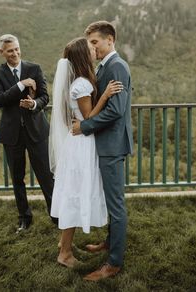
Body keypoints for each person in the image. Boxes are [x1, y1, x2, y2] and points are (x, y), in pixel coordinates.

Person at [49, 37, 123, 268]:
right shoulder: (82, 84)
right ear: (83, 55)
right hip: (82, 145)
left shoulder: (80, 81)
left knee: (73, 193)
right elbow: (89, 117)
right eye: (90, 48)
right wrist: (105, 95)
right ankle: (65, 254)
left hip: (79, 142)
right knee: (75, 195)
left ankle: (64, 245)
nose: (94, 49)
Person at [72, 21, 133, 281]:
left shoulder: (117, 66)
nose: (92, 47)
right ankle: (109, 244)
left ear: (110, 40)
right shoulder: (106, 66)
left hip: (111, 145)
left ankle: (114, 263)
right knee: (111, 201)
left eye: (95, 42)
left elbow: (116, 110)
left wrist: (85, 126)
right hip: (105, 143)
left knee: (116, 205)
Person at [0, 34, 57, 233]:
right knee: (17, 178)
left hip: (37, 132)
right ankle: (24, 218)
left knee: (46, 175)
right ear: (1, 52)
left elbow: (45, 96)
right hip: (12, 135)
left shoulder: (34, 68)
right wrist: (21, 85)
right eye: (10, 50)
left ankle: (56, 216)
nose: (15, 53)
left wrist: (35, 104)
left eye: (17, 49)